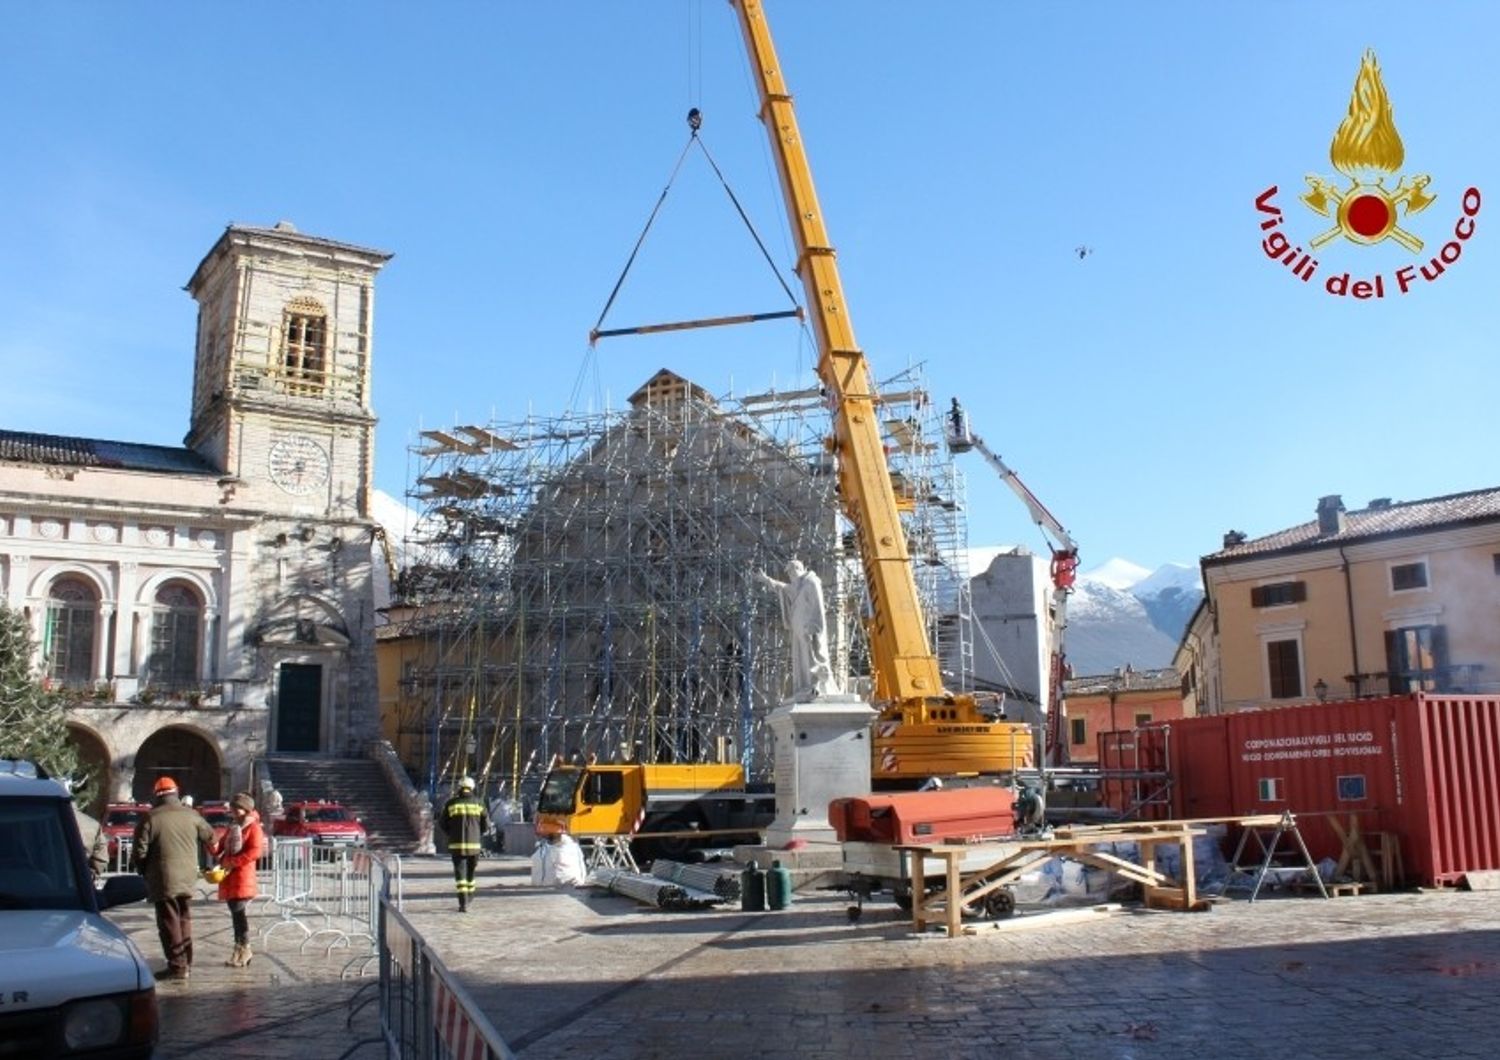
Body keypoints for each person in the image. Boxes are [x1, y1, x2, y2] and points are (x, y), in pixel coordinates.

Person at [132, 776, 214, 980]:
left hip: (162, 876)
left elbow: (140, 851)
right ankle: (187, 961)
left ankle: (178, 966)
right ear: (176, 792)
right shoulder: (192, 815)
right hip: (187, 875)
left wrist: (142, 870)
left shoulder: (150, 817)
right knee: (184, 917)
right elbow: (211, 836)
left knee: (169, 921)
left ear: (156, 794)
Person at [754, 559, 839, 700]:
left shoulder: (811, 583)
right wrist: (766, 579)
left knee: (813, 656)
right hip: (799, 630)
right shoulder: (798, 586)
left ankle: (819, 684)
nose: (790, 576)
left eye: (791, 572)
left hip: (809, 629)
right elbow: (782, 588)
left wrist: (814, 626)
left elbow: (817, 606)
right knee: (802, 659)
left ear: (797, 569)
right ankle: (806, 685)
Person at [212, 792, 265, 968]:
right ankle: (240, 949)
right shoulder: (234, 826)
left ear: (246, 809)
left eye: (237, 808)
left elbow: (255, 852)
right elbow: (219, 849)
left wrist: (232, 861)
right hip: (230, 875)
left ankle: (244, 948)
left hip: (242, 876)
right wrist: (210, 841)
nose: (233, 811)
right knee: (235, 913)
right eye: (233, 808)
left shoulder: (253, 827)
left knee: (238, 912)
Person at [440, 776, 488, 912]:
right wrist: (478, 834)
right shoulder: (479, 803)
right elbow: (486, 825)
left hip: (457, 845)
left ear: (459, 788)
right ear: (472, 788)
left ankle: (463, 903)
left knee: (460, 876)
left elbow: (442, 823)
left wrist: (452, 833)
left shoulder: (451, 803)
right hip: (474, 846)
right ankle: (470, 896)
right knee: (471, 874)